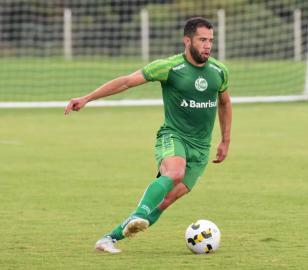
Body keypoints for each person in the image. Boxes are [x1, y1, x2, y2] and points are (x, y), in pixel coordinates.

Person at [64, 17, 232, 254]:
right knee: (174, 172)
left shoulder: (219, 71)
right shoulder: (169, 67)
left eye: (211, 40)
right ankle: (139, 213)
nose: (208, 45)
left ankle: (108, 239)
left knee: (163, 203)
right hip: (174, 136)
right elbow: (126, 82)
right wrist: (87, 98)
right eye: (202, 40)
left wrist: (225, 140)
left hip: (201, 149)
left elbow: (224, 103)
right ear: (187, 40)